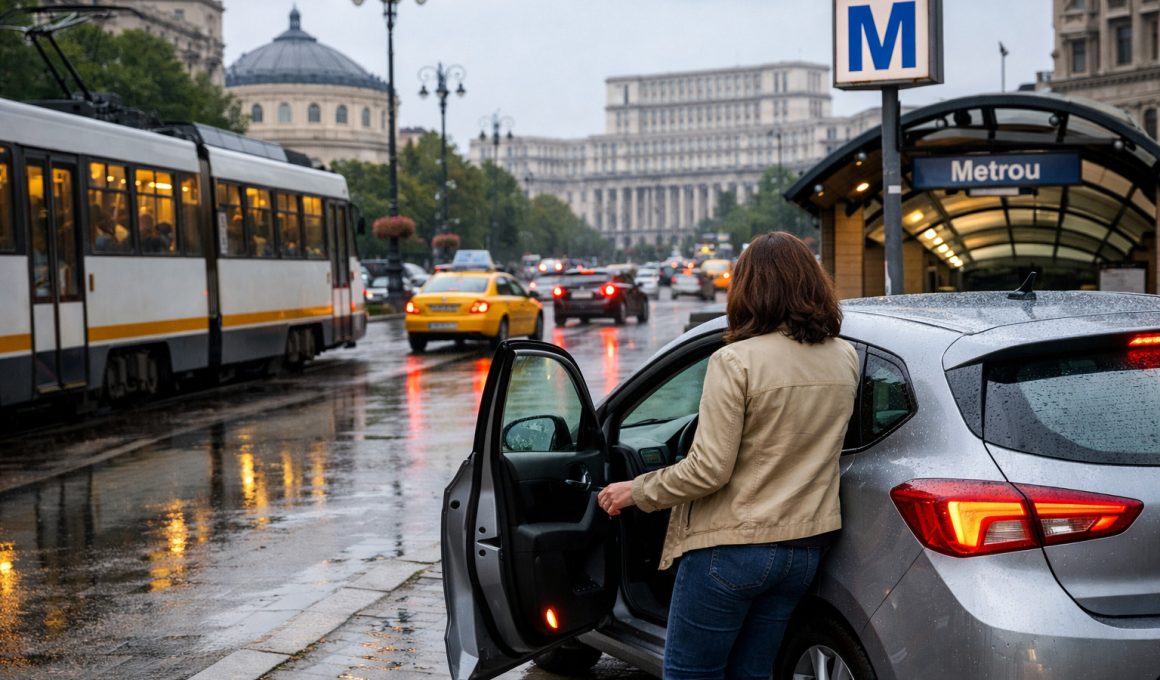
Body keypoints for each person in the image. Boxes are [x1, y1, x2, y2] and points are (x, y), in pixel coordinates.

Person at [598, 231, 860, 680]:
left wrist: (635, 491)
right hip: (803, 549)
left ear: (750, 289)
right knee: (753, 674)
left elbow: (707, 469)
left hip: (732, 550)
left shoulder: (735, 360)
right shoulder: (845, 357)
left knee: (689, 673)